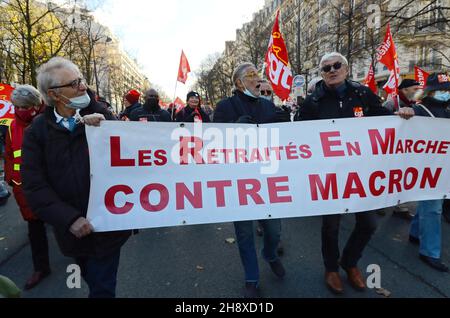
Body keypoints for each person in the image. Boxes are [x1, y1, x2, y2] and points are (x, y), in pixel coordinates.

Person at [296, 52, 414, 295]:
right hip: (328, 175)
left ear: (346, 69)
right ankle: (331, 268)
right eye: (326, 68)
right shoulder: (313, 102)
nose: (331, 70)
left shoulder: (362, 94)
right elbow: (298, 136)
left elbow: (383, 120)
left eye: (336, 65)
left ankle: (349, 263)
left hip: (360, 173)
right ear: (321, 74)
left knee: (369, 223)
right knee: (330, 226)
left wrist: (402, 116)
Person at [21, 57, 131, 298]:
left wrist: (107, 128)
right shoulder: (36, 133)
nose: (83, 87)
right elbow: (34, 185)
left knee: (102, 288)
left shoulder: (102, 115)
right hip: (73, 233)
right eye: (74, 83)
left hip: (108, 227)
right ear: (54, 94)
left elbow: (131, 156)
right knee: (91, 279)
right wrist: (69, 219)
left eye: (81, 80)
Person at [213, 62, 289, 298]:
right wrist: (233, 129)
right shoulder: (224, 107)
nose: (258, 79)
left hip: (267, 177)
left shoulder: (268, 106)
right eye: (252, 75)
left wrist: (287, 123)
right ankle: (252, 278)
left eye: (258, 75)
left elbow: (284, 140)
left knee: (273, 230)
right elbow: (214, 142)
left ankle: (270, 254)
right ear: (239, 83)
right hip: (239, 180)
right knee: (244, 233)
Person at [5, 85, 49, 290]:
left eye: (24, 106)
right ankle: (41, 267)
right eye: (17, 106)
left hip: (52, 185)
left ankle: (81, 259)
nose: (19, 110)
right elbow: (10, 154)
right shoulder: (12, 127)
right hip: (25, 188)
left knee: (64, 225)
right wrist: (10, 178)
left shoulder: (49, 121)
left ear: (35, 105)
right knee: (35, 229)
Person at [409, 72, 450, 272]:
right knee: (434, 208)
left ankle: (415, 233)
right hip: (425, 168)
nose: (445, 93)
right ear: (429, 91)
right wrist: (405, 115)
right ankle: (430, 252)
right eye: (441, 90)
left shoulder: (448, 110)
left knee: (432, 203)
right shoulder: (418, 111)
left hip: (443, 166)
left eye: (448, 90)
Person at [380, 79, 422, 220]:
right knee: (385, 176)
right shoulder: (391, 103)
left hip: (406, 148)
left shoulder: (417, 105)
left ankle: (401, 207)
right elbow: (379, 122)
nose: (418, 91)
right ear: (405, 90)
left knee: (403, 176)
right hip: (389, 148)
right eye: (415, 89)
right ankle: (378, 203)